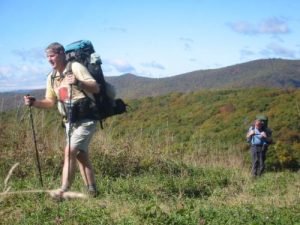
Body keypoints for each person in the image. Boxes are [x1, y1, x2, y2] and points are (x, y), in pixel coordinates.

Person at [24, 42, 100, 197]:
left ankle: (63, 190)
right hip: (69, 122)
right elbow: (50, 102)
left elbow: (95, 87)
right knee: (80, 155)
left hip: (87, 119)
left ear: (61, 54)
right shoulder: (52, 77)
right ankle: (92, 190)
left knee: (69, 151)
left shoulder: (76, 67)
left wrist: (78, 82)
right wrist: (34, 102)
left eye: (52, 55)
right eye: (47, 56)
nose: (49, 59)